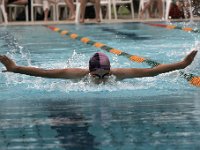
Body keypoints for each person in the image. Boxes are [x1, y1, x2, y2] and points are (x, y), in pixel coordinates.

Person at [0, 51, 198, 84]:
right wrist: (16, 68)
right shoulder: (75, 75)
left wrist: (183, 64)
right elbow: (44, 73)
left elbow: (151, 71)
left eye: (106, 75)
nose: (103, 80)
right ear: (89, 72)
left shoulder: (120, 75)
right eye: (97, 76)